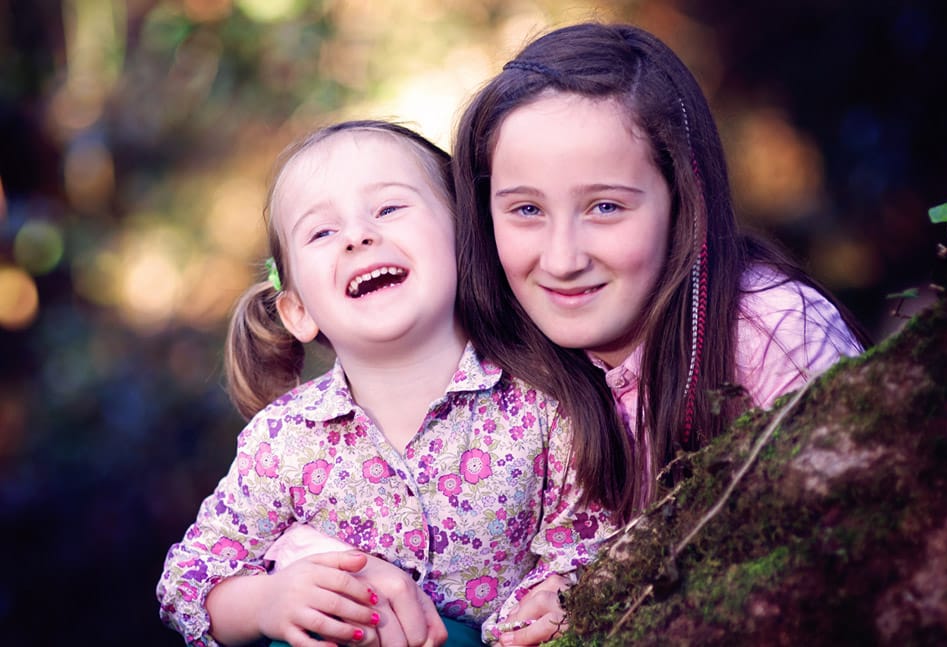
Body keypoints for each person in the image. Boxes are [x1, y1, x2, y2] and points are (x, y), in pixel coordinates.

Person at [156, 120, 620, 647]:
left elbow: (597, 539)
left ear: (466, 240)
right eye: (322, 232)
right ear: (299, 310)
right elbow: (186, 584)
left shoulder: (545, 406)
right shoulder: (283, 443)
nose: (358, 236)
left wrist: (561, 588)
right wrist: (268, 601)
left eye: (388, 209)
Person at [453, 21, 870, 528]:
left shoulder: (770, 333)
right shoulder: (492, 368)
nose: (562, 260)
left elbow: (865, 531)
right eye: (526, 210)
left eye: (605, 207)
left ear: (681, 200)